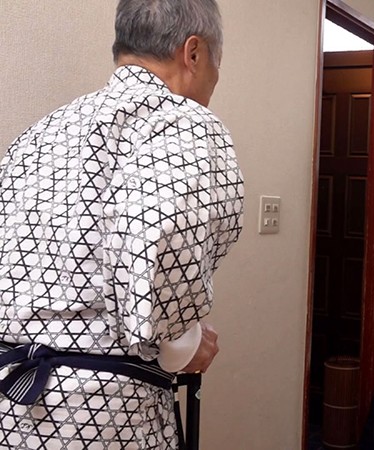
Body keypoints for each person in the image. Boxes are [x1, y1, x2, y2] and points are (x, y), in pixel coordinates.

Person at [0, 0, 243, 448]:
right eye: (216, 64)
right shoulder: (182, 121)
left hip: (12, 406)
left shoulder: (40, 134)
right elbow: (162, 240)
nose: (214, 79)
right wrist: (184, 343)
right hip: (105, 415)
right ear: (193, 53)